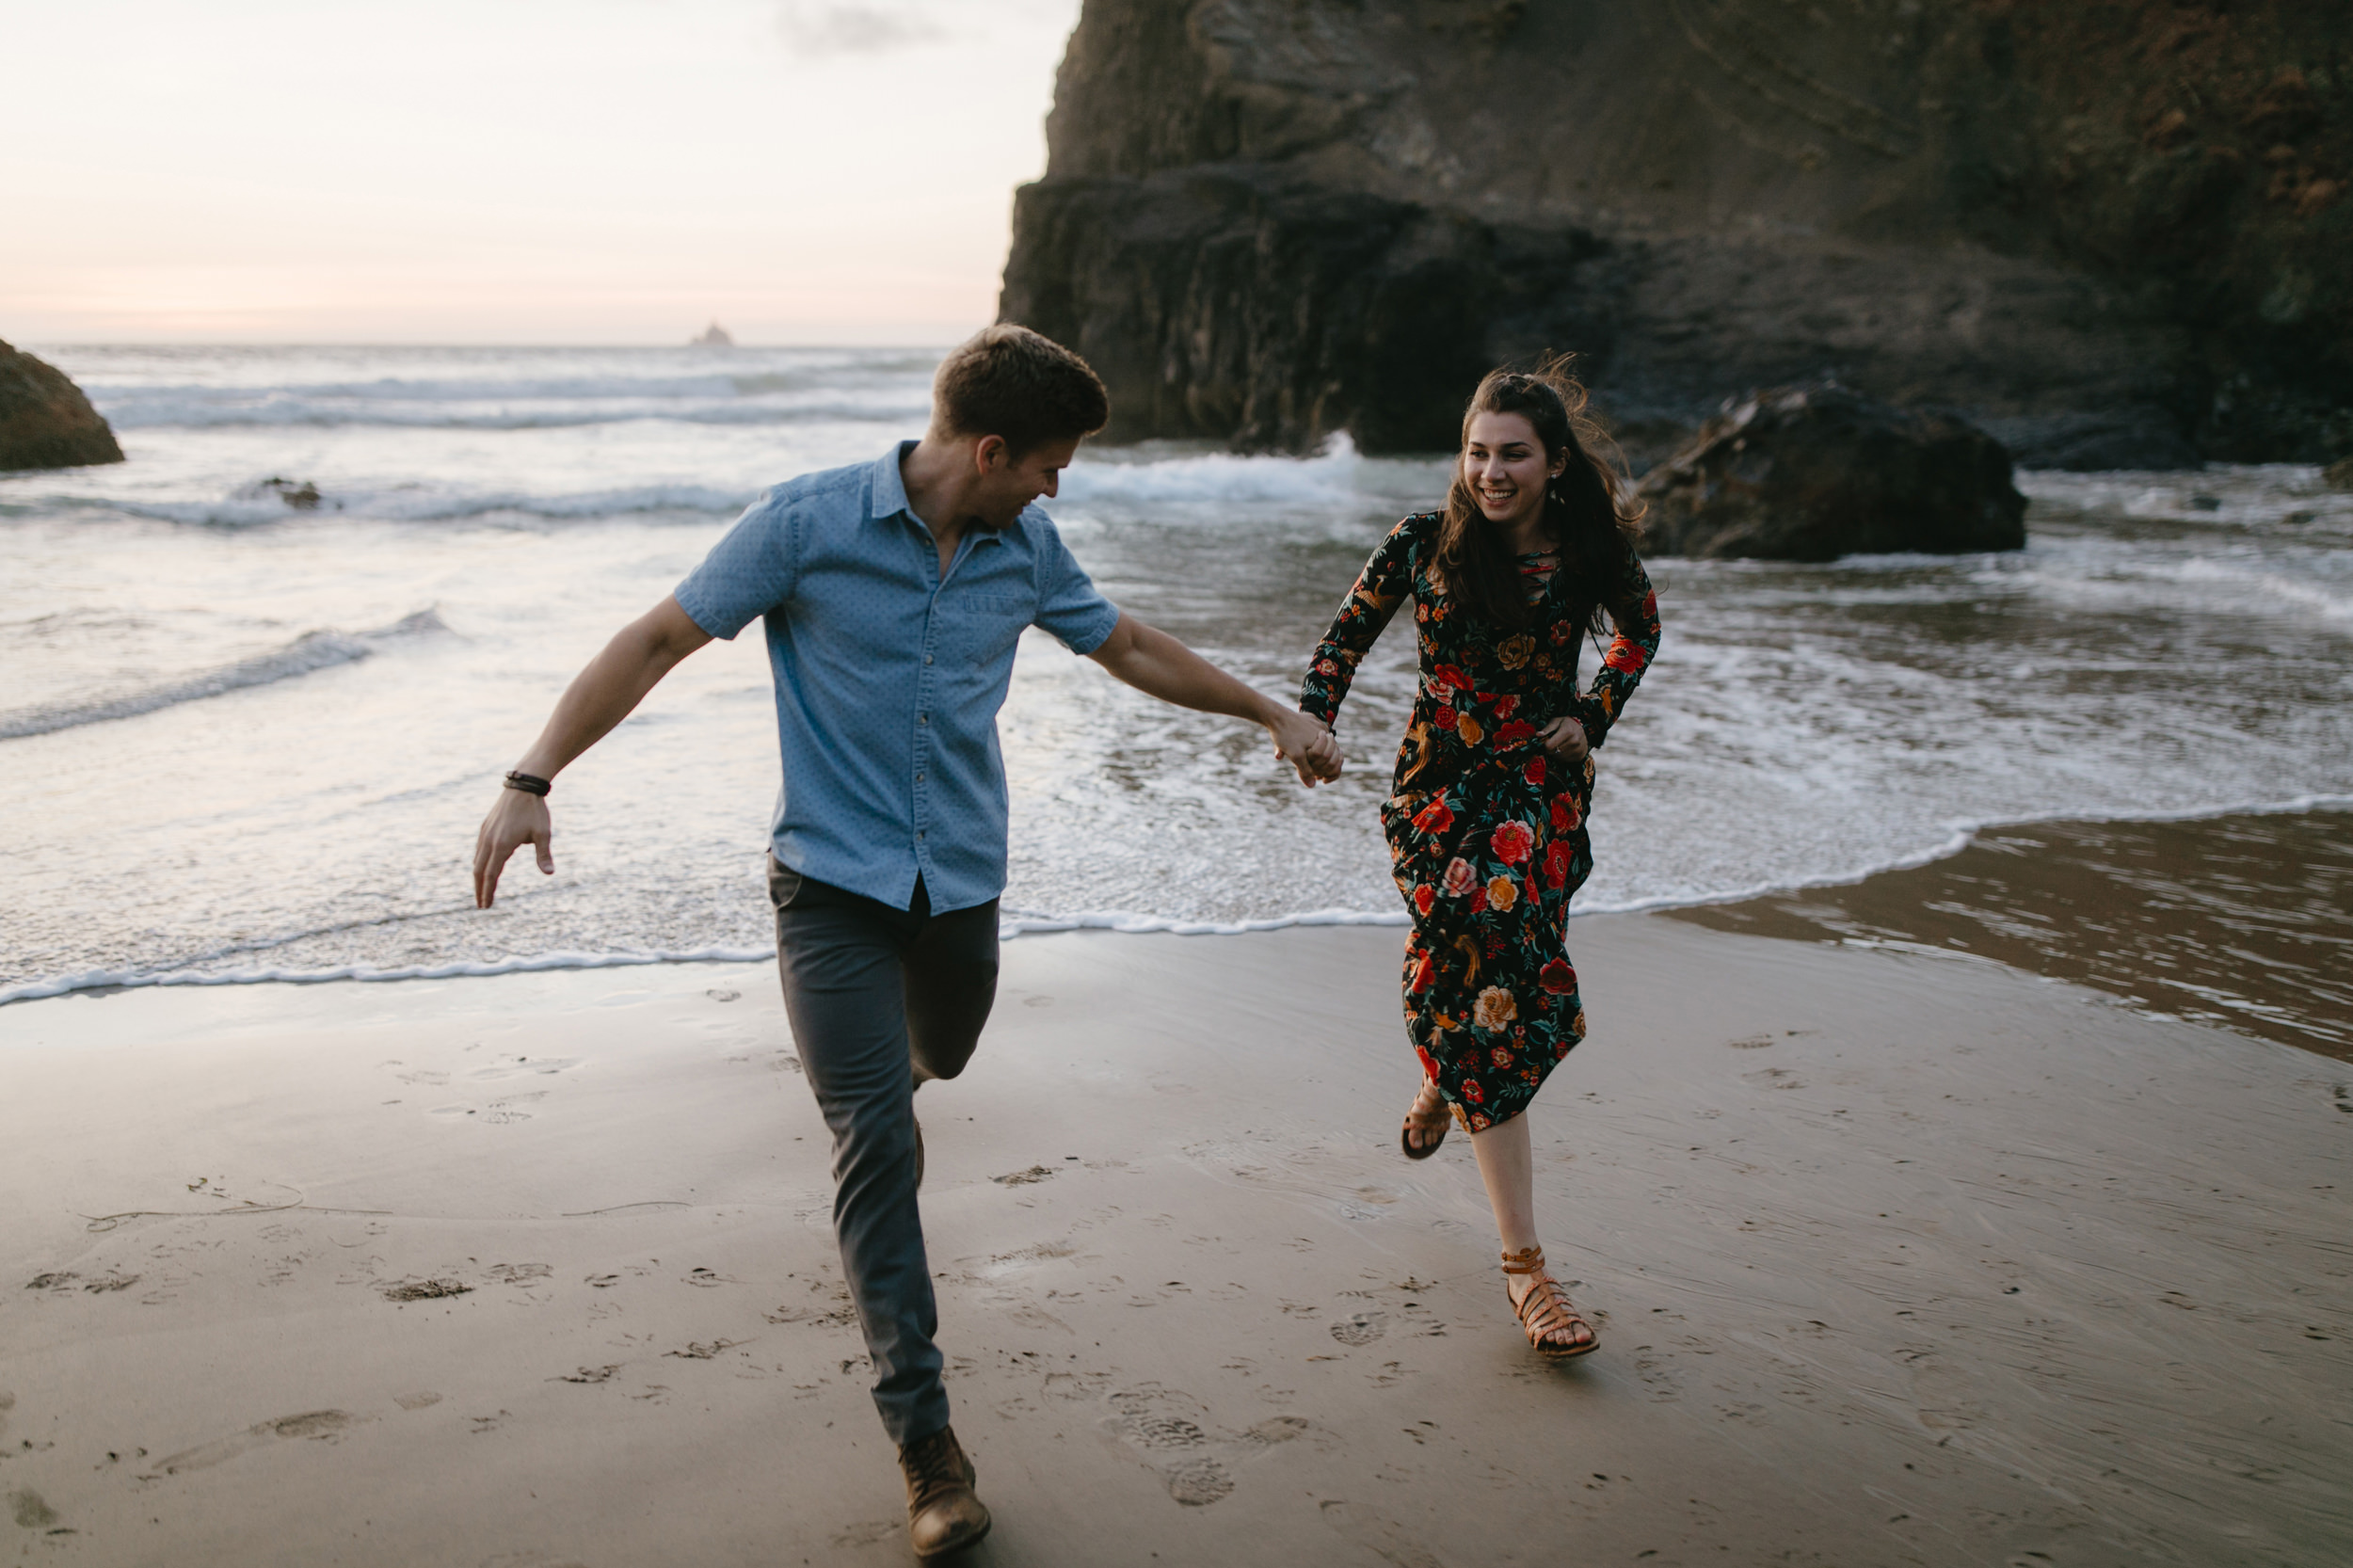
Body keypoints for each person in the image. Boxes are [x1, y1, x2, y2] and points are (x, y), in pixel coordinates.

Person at [472, 325, 1340, 1560]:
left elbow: (1128, 643)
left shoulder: (1024, 546)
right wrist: (530, 774)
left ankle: (887, 1064)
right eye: (1049, 464)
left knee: (945, 1050)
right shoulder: (805, 524)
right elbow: (657, 639)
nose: (1057, 488)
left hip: (962, 893)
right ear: (990, 450)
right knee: (875, 1139)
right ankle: (929, 1451)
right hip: (827, 883)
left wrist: (1267, 709)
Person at [1298, 362, 1660, 1360]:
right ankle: (1526, 1270)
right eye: (1477, 452)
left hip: (1536, 795)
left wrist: (1591, 717)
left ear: (1550, 464)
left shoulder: (1586, 551)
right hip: (1437, 788)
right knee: (1484, 977)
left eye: (1512, 454)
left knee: (1491, 977)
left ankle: (1450, 1072)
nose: (1491, 472)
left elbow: (1642, 629)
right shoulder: (1423, 542)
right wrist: (1311, 729)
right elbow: (1341, 642)